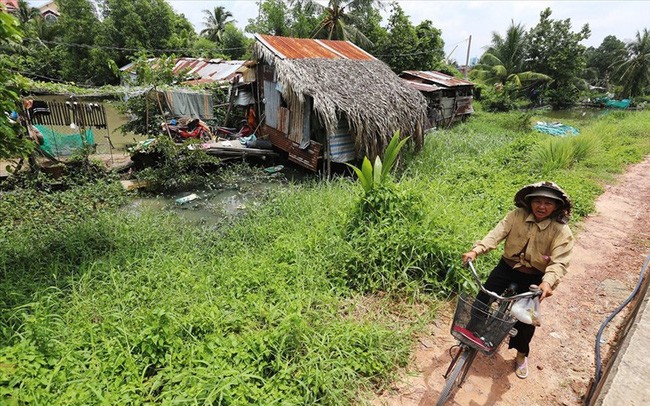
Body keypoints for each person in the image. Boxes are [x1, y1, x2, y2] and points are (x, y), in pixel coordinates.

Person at [461, 181, 574, 379]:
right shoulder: (516, 216)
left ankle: (521, 355)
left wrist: (547, 282)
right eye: (537, 201)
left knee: (526, 320)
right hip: (506, 267)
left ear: (556, 206)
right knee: (482, 299)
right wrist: (476, 250)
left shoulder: (561, 230)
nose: (541, 206)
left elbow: (559, 262)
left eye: (548, 203)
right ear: (529, 202)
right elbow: (496, 234)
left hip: (534, 276)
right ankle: (471, 335)